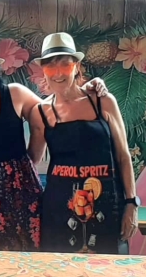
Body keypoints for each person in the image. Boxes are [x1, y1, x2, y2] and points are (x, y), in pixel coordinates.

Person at [0, 34, 109, 251]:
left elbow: (57, 109)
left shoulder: (16, 94)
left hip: (21, 190)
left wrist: (87, 89)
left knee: (28, 255)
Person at [28, 33, 139, 253]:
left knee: (108, 268)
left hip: (107, 204)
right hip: (59, 209)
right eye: (50, 66)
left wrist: (132, 203)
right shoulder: (40, 112)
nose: (58, 73)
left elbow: (123, 156)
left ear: (76, 66)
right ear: (43, 71)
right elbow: (31, 162)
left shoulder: (103, 101)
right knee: (59, 270)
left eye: (65, 64)